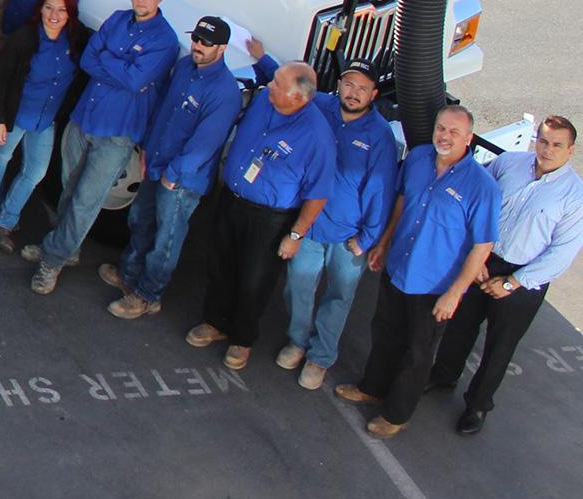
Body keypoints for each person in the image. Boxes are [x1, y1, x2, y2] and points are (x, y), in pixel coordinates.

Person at [336, 106, 500, 439]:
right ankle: (372, 387)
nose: (445, 136)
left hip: (434, 286)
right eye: (441, 128)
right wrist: (383, 243)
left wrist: (455, 292)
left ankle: (396, 415)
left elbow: (482, 247)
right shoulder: (419, 157)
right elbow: (401, 202)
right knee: (384, 333)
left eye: (454, 133)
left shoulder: (482, 186)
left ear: (469, 139)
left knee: (417, 353)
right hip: (398, 267)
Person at [241, 48, 399, 390]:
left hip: (349, 235)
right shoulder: (324, 106)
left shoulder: (380, 136)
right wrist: (263, 60)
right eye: (348, 84)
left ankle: (320, 357)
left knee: (338, 298)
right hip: (311, 226)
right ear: (339, 85)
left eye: (362, 88)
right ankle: (298, 341)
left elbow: (382, 191)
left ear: (373, 95)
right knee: (298, 287)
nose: (353, 93)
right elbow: (292, 87)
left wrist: (367, 239)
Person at [22, 0, 179, 293]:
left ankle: (51, 261)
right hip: (85, 118)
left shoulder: (165, 40)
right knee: (69, 187)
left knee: (86, 200)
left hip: (118, 132)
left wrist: (110, 60)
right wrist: (120, 66)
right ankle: (65, 248)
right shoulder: (118, 19)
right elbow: (89, 60)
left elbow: (135, 80)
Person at [429, 115, 582, 433]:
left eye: (557, 145)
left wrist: (514, 282)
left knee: (500, 346)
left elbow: (562, 253)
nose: (547, 150)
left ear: (571, 150)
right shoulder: (509, 164)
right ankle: (443, 376)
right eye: (543, 141)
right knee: (460, 326)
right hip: (483, 260)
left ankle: (478, 406)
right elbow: (475, 197)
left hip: (524, 277)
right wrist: (475, 252)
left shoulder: (574, 197)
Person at [183, 59, 333, 368]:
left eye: (278, 84)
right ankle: (215, 322)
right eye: (274, 80)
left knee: (255, 281)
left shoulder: (316, 137)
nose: (270, 86)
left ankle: (241, 340)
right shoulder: (267, 99)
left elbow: (317, 194)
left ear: (299, 99)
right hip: (233, 198)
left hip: (270, 218)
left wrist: (295, 235)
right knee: (221, 263)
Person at [104, 17, 244, 320]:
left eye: (206, 43)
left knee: (166, 239)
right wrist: (145, 149)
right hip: (155, 162)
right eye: (196, 38)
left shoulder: (225, 92)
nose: (197, 46)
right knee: (140, 219)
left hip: (181, 181)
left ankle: (148, 295)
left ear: (221, 48)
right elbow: (162, 109)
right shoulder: (184, 67)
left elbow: (204, 145)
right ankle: (129, 275)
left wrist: (173, 174)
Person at [0, 0, 84, 251]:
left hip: (46, 120)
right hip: (17, 115)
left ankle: (4, 221)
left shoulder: (73, 40)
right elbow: (2, 79)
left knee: (35, 172)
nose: (54, 14)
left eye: (62, 10)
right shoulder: (24, 39)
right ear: (40, 8)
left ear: (70, 14)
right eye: (49, 7)